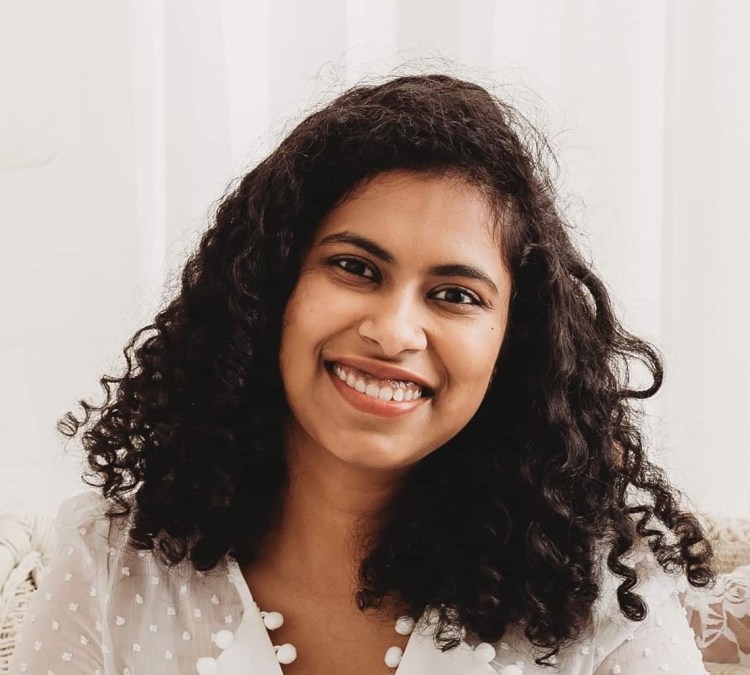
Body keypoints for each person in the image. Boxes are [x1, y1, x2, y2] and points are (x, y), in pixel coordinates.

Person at [8, 74, 720, 675]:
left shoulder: (598, 599)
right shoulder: (111, 563)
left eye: (455, 295)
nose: (393, 331)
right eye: (355, 267)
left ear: (515, 342)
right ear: (271, 289)